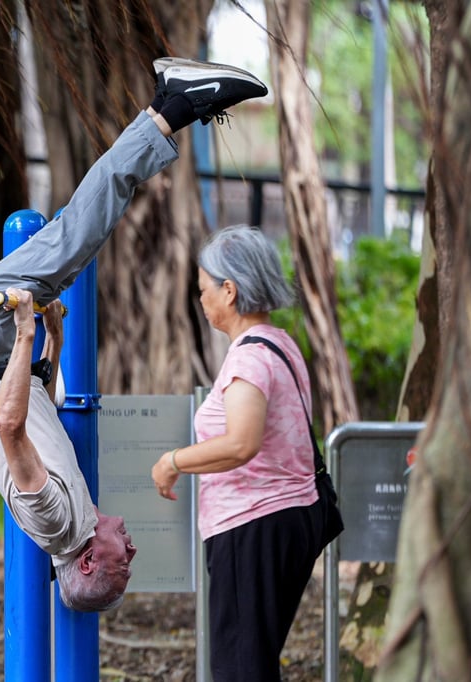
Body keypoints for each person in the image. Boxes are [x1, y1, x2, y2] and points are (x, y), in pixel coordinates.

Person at [0, 57, 269, 612]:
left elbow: (9, 426)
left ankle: (171, 107)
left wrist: (22, 334)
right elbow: (35, 413)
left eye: (123, 561)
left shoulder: (58, 523)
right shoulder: (76, 521)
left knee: (69, 242)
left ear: (87, 562)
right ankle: (166, 107)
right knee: (71, 245)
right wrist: (53, 346)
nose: (133, 549)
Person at [150, 224, 328, 680]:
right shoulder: (280, 344)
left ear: (229, 290)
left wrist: (174, 461)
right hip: (286, 519)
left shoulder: (249, 356)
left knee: (240, 668)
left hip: (254, 525)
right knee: (252, 661)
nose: (201, 300)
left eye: (203, 289)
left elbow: (241, 443)